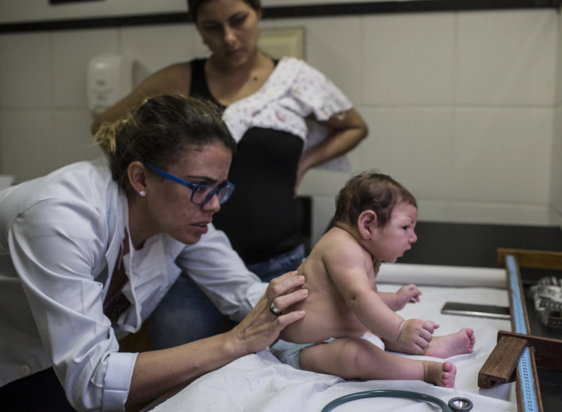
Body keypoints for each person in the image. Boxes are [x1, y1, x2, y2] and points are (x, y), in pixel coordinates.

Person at [0, 95, 309, 412]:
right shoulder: (62, 218)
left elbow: (244, 293)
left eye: (219, 188)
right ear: (141, 178)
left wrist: (326, 306)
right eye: (199, 185)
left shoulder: (178, 216)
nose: (214, 204)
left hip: (61, 361)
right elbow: (92, 380)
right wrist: (235, 341)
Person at [91, 0, 368, 350]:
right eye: (212, 27)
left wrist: (304, 162)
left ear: (258, 13)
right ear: (196, 26)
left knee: (296, 365)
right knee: (180, 371)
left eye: (239, 20)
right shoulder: (179, 79)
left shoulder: (295, 80)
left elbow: (353, 126)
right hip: (190, 262)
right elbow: (107, 127)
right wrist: (146, 191)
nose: (229, 37)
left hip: (280, 257)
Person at [271, 172, 476, 388]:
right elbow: (360, 298)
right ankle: (423, 370)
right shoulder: (340, 246)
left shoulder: (363, 253)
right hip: (302, 347)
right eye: (406, 227)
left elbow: (363, 299)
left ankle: (433, 345)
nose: (413, 237)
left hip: (341, 336)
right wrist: (399, 329)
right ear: (368, 224)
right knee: (357, 353)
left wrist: (396, 300)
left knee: (377, 325)